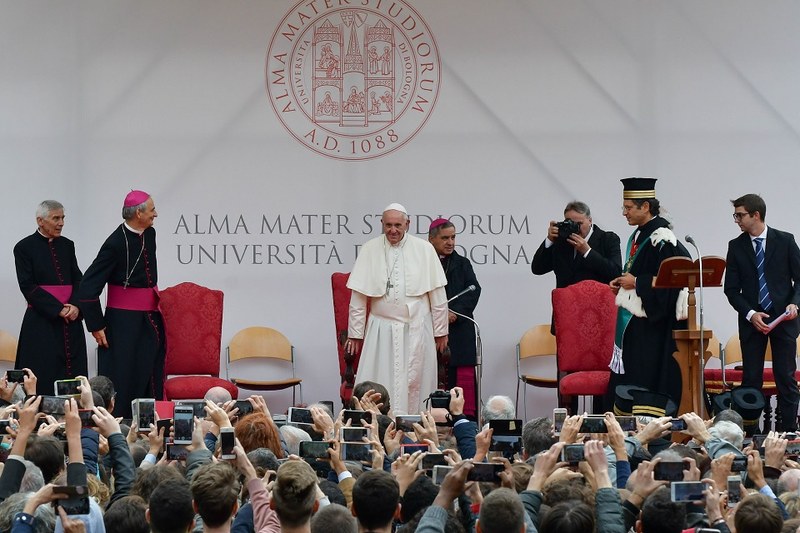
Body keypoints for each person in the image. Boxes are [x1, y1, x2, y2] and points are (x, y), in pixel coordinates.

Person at [346, 203, 448, 415]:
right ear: (382, 224)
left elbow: (437, 295)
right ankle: (377, 423)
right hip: (380, 329)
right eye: (388, 225)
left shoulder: (424, 249)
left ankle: (414, 425)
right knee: (380, 377)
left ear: (407, 224)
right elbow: (357, 298)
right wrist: (355, 334)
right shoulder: (370, 249)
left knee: (414, 383)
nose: (393, 230)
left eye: (398, 225)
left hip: (416, 327)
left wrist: (441, 331)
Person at [78, 190, 164, 418]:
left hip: (149, 320)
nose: (156, 214)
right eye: (152, 209)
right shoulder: (115, 243)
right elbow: (87, 287)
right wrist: (96, 326)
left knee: (150, 375)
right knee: (124, 378)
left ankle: (149, 428)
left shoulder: (150, 234)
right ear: (138, 212)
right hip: (123, 325)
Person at [608, 177, 689, 406]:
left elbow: (679, 274)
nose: (625, 213)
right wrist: (623, 285)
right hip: (635, 320)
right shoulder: (638, 235)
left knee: (643, 376)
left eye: (628, 208)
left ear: (645, 207)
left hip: (651, 325)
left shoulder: (663, 238)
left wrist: (638, 283)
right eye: (624, 207)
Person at [724, 194, 800, 431]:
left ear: (756, 215)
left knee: (786, 378)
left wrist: (794, 304)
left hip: (784, 319)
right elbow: (732, 290)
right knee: (751, 380)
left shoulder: (785, 241)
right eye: (735, 215)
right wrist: (750, 313)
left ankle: (788, 433)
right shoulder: (736, 246)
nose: (736, 219)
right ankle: (749, 433)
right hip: (752, 322)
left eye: (740, 215)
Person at [13, 200, 88, 395]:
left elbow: (78, 279)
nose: (61, 223)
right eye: (56, 218)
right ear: (40, 221)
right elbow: (28, 287)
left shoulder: (68, 245)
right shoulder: (23, 248)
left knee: (74, 380)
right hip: (42, 322)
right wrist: (58, 309)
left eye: (63, 218)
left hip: (71, 320)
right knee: (43, 374)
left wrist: (76, 305)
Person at [428, 218, 481, 417]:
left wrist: (454, 313)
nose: (450, 242)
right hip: (429, 329)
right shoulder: (422, 263)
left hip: (458, 330)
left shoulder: (462, 263)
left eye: (453, 237)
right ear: (431, 239)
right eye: (445, 238)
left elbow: (473, 291)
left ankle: (463, 420)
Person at [531, 200, 622, 300]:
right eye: (571, 224)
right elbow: (537, 268)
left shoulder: (608, 239)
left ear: (590, 220)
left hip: (596, 306)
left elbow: (616, 273)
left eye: (580, 223)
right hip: (566, 307)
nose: (576, 228)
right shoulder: (561, 241)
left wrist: (587, 252)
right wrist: (549, 240)